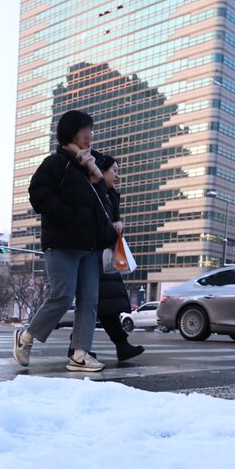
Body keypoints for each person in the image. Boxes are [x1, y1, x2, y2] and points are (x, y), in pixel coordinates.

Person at [14, 110, 116, 372]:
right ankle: (26, 338)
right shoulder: (56, 163)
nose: (89, 136)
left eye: (91, 131)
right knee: (61, 296)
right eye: (86, 130)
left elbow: (101, 206)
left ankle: (80, 354)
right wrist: (66, 216)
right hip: (62, 244)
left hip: (89, 247)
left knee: (89, 301)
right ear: (72, 131)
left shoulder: (91, 170)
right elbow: (38, 195)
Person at [93, 154, 144, 364]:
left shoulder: (110, 195)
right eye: (114, 170)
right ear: (101, 171)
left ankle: (120, 345)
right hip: (96, 255)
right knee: (98, 306)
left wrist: (118, 225)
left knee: (103, 306)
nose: (117, 175)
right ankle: (78, 346)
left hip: (106, 257)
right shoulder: (97, 193)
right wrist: (114, 228)